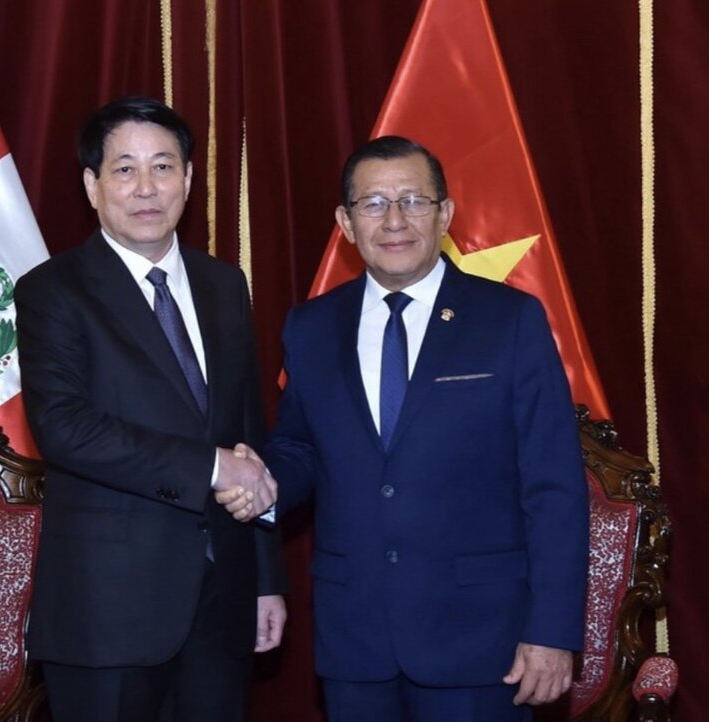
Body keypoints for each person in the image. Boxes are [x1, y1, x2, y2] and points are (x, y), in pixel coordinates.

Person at [222, 135, 588, 721]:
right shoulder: (312, 326)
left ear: (445, 214)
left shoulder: (509, 320)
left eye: (414, 201)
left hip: (480, 637)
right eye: (372, 204)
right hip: (355, 635)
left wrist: (552, 630)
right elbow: (300, 446)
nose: (394, 220)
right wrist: (261, 480)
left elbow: (554, 486)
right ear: (345, 222)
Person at [14, 96, 286, 722]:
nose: (146, 187)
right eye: (124, 168)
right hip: (108, 607)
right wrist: (212, 469)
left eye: (163, 166)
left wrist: (267, 577)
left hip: (223, 602)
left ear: (188, 179)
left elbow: (249, 436)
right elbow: (65, 429)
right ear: (92, 184)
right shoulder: (53, 291)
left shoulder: (224, 285)